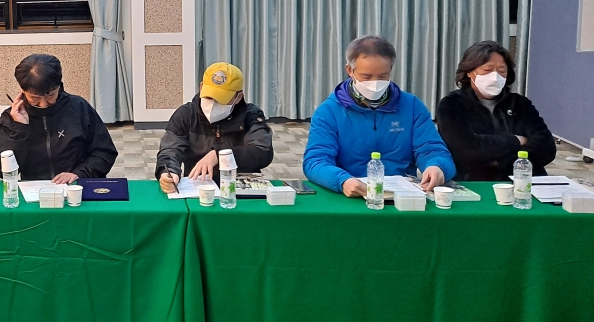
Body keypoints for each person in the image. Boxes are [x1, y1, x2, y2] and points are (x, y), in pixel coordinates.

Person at [303, 35, 455, 196]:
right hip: (350, 193)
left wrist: (437, 167)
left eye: (383, 76)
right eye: (366, 77)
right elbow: (315, 161)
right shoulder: (329, 111)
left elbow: (432, 149)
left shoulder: (411, 106)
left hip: (402, 196)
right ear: (350, 70)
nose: (375, 84)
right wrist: (342, 180)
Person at [436, 40, 556, 181]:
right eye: (487, 70)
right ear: (469, 72)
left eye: (501, 71)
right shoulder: (452, 104)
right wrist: (516, 140)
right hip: (474, 183)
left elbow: (546, 147)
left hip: (523, 182)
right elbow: (467, 149)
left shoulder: (520, 104)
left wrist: (502, 163)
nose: (495, 77)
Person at [0, 54, 117, 183]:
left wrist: (78, 174)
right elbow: (3, 171)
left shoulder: (79, 107)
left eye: (50, 95)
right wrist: (20, 129)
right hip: (35, 189)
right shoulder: (10, 118)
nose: (43, 104)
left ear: (59, 86)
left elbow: (105, 152)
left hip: (77, 185)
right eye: (35, 98)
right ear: (22, 90)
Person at [156, 62, 273, 193]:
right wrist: (168, 172)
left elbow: (263, 152)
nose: (212, 104)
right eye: (208, 96)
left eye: (221, 100)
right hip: (199, 187)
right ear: (201, 87)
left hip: (239, 188)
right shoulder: (186, 115)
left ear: (238, 97)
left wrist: (221, 155)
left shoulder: (251, 115)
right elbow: (171, 149)